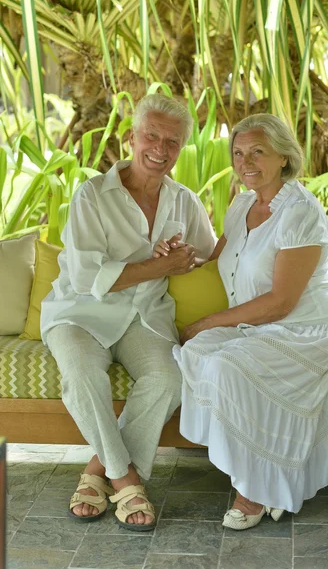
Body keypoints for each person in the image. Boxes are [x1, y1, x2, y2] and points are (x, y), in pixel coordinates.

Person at [154, 113, 328, 530]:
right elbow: (218, 262)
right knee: (196, 353)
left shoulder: (301, 212)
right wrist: (175, 255)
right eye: (239, 153)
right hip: (254, 326)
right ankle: (271, 476)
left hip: (306, 329)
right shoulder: (242, 203)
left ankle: (254, 489)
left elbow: (281, 302)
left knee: (228, 365)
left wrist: (207, 321)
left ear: (284, 156)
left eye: (258, 152)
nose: (245, 161)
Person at [40, 94, 216, 531]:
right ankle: (126, 478)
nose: (160, 148)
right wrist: (159, 265)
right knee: (82, 376)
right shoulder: (92, 195)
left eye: (172, 141)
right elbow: (86, 278)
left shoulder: (185, 202)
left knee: (169, 376)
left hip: (144, 317)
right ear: (131, 136)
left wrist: (185, 256)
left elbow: (208, 259)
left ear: (181, 148)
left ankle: (97, 474)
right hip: (79, 314)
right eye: (151, 135)